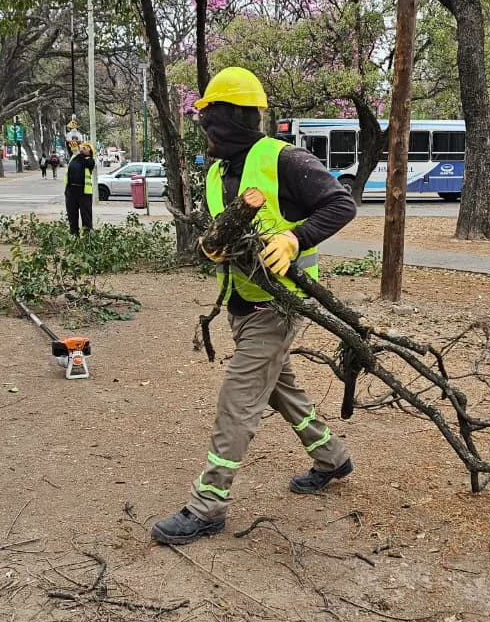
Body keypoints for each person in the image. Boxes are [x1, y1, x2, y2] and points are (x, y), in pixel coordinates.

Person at [150, 67, 357, 546]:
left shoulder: (283, 159)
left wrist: (293, 237)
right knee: (280, 388)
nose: (205, 128)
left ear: (233, 116)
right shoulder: (220, 171)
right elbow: (223, 230)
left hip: (280, 307)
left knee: (238, 400)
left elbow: (339, 204)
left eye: (211, 117)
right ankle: (332, 456)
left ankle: (208, 505)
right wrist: (212, 247)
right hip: (242, 306)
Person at [64, 142, 96, 236]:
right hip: (70, 191)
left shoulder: (90, 160)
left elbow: (84, 162)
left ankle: (88, 237)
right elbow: (70, 148)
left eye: (86, 147)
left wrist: (78, 152)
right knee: (72, 215)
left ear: (90, 151)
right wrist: (71, 144)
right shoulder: (74, 158)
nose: (83, 148)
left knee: (86, 216)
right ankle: (74, 236)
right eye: (83, 146)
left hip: (84, 193)